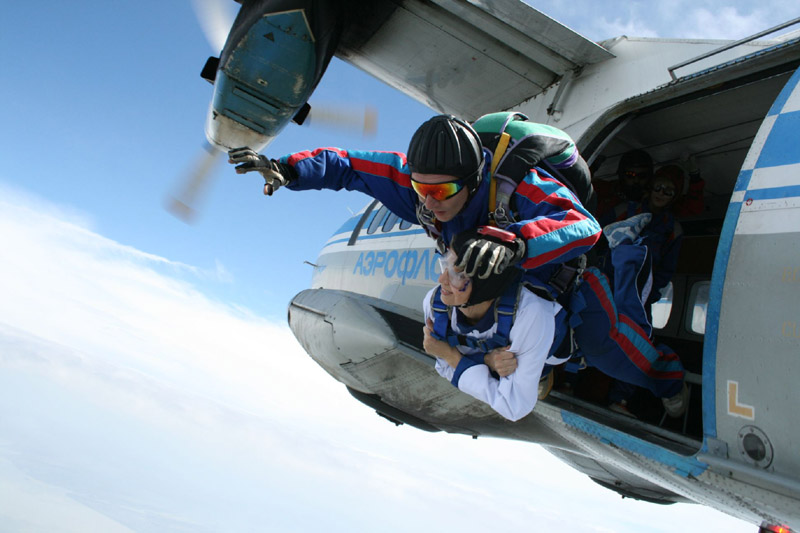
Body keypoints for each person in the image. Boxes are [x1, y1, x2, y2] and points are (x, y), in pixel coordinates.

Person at [228, 114, 601, 298]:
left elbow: (582, 224)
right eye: (421, 188)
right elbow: (348, 165)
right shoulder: (418, 188)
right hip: (485, 289)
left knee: (601, 347)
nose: (429, 201)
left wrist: (515, 243)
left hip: (555, 275)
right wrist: (287, 169)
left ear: (474, 180)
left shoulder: (516, 185)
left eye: (442, 190)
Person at [422, 227, 688, 422]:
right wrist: (487, 360)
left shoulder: (529, 313)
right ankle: (540, 369)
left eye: (456, 274)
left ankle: (627, 248)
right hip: (542, 341)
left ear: (484, 286)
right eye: (446, 265)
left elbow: (514, 406)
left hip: (579, 301)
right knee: (522, 360)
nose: (442, 280)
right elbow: (443, 363)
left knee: (615, 353)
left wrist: (453, 357)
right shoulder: (436, 305)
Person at [594, 149, 654, 217]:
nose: (636, 180)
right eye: (630, 175)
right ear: (621, 174)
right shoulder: (604, 190)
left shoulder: (656, 199)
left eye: (642, 176)